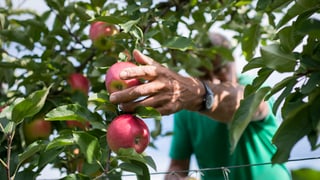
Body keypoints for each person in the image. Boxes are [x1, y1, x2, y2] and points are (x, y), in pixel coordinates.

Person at [109, 33, 291, 180]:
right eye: (203, 75)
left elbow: (243, 104)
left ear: (233, 63)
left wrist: (200, 93)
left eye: (220, 70)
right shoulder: (186, 110)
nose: (214, 80)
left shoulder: (253, 87)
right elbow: (177, 167)